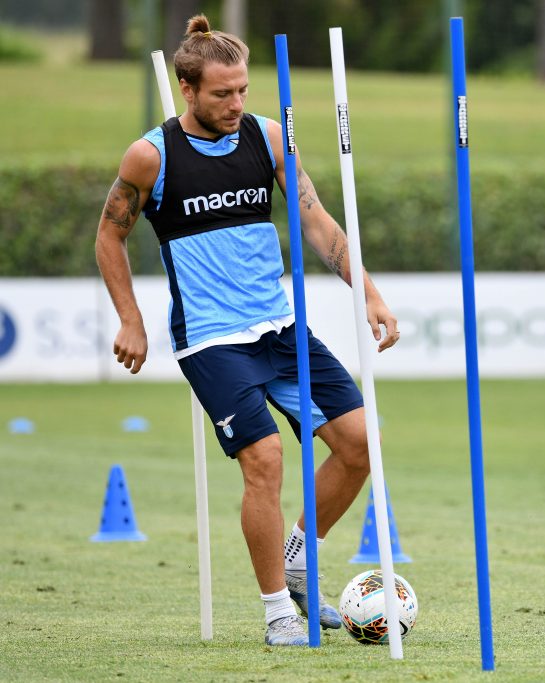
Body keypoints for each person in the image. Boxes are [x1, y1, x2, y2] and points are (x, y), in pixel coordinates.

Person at [95, 14, 399, 647]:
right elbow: (110, 234)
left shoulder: (268, 138)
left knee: (360, 445)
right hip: (211, 339)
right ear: (188, 89)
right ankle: (277, 611)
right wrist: (131, 318)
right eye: (220, 93)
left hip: (281, 330)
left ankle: (297, 557)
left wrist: (368, 294)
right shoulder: (151, 156)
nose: (236, 104)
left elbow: (317, 224)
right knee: (264, 459)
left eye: (242, 90)